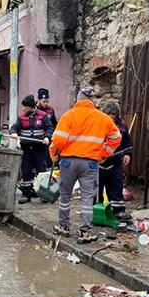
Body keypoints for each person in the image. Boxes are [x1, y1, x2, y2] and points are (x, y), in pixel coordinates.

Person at [49, 86, 121, 244]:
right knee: (87, 197)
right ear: (92, 101)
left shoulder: (69, 116)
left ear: (78, 99)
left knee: (65, 195)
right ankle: (85, 232)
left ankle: (63, 226)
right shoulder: (103, 118)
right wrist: (103, 154)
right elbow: (116, 137)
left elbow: (59, 139)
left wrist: (53, 154)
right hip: (90, 163)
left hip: (68, 162)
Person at [10, 94, 53, 204]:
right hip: (27, 149)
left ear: (31, 106)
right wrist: (14, 133)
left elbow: (49, 128)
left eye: (26, 107)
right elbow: (14, 127)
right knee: (26, 172)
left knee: (41, 172)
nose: (24, 109)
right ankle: (26, 194)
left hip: (39, 149)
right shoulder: (21, 117)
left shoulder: (42, 116)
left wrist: (47, 137)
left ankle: (43, 194)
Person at [98, 101, 133, 223]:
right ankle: (97, 210)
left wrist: (128, 154)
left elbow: (126, 141)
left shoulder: (121, 125)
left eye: (113, 117)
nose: (111, 120)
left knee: (116, 187)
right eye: (109, 116)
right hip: (99, 162)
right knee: (96, 189)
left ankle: (118, 211)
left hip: (115, 161)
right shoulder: (97, 123)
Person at [36, 88, 58, 168]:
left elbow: (54, 123)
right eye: (44, 101)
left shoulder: (50, 110)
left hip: (49, 138)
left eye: (47, 101)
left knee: (50, 160)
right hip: (37, 139)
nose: (46, 104)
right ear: (38, 100)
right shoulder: (34, 110)